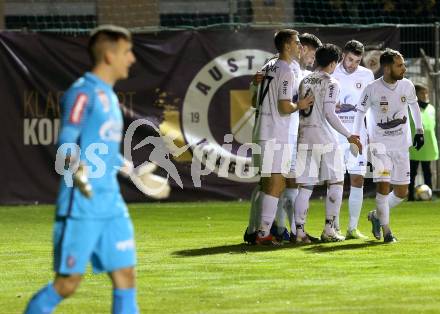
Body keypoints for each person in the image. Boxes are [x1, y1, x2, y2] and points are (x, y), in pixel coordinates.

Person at [24, 25, 138, 313]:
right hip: (82, 205)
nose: (132, 58)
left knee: (125, 275)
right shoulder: (82, 92)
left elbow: (102, 149)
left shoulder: (110, 96)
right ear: (109, 55)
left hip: (110, 202)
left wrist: (132, 170)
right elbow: (66, 140)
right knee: (68, 283)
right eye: (127, 51)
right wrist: (76, 169)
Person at [244, 33, 321, 244]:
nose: (300, 48)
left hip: (267, 132)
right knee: (274, 185)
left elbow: (253, 100)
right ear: (288, 46)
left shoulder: (269, 66)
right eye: (298, 44)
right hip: (276, 134)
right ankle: (263, 232)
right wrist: (301, 105)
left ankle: (269, 231)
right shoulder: (287, 69)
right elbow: (285, 106)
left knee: (272, 184)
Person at [353, 48, 424, 243]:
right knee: (383, 187)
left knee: (402, 193)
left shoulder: (407, 86)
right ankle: (387, 232)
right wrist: (356, 136)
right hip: (380, 148)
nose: (404, 69)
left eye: (403, 64)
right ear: (386, 68)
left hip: (401, 146)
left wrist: (419, 131)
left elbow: (414, 106)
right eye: (399, 65)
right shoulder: (372, 89)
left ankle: (376, 215)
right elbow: (360, 112)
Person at [294, 44, 363, 243]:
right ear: (333, 63)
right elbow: (329, 113)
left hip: (304, 136)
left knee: (305, 187)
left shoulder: (305, 79)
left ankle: (300, 233)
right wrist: (349, 135)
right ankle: (329, 229)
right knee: (336, 181)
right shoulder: (332, 82)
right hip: (323, 137)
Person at [331, 40, 374, 240]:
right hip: (335, 136)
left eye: (357, 61)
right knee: (336, 181)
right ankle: (334, 227)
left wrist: (371, 134)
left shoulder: (366, 75)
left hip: (358, 135)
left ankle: (352, 228)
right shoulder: (331, 72)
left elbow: (371, 108)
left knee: (357, 179)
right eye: (350, 59)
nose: (353, 64)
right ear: (343, 55)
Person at [408, 84, 439, 200]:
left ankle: (428, 196)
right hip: (415, 146)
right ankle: (410, 196)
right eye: (422, 93)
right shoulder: (410, 108)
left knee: (428, 172)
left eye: (426, 93)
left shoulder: (431, 108)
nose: (425, 95)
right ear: (416, 95)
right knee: (412, 172)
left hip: (428, 146)